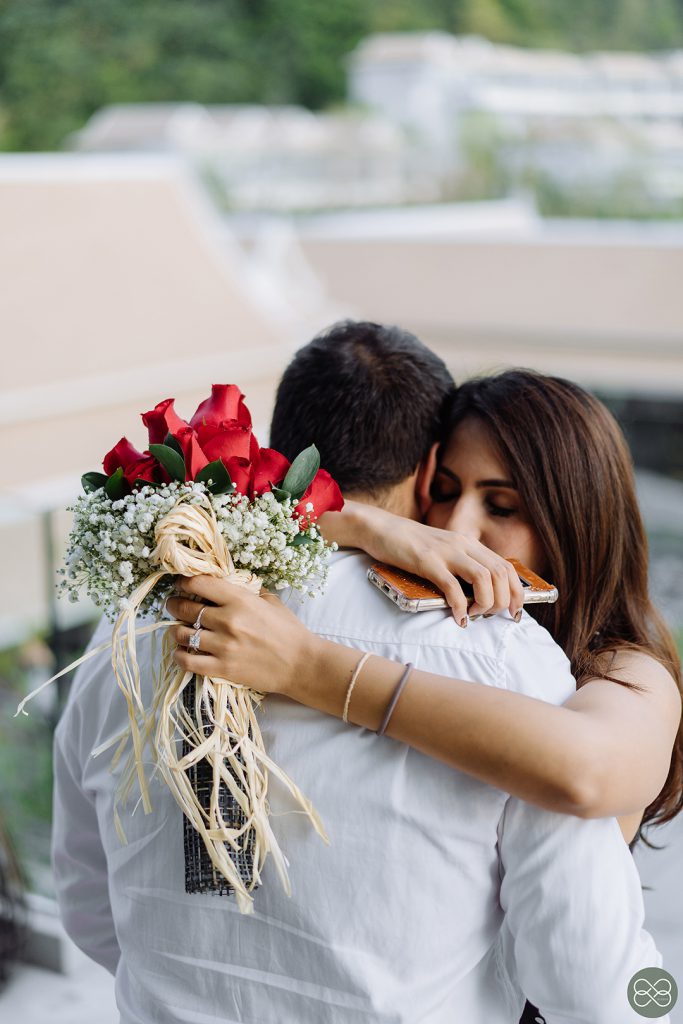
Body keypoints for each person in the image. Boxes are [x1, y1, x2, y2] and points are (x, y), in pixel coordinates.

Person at [152, 321, 666, 1023]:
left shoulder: (612, 670)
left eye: (502, 506)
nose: (455, 533)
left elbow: (584, 777)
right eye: (443, 493)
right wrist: (363, 526)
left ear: (575, 517)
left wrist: (310, 666)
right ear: (419, 478)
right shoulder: (478, 644)